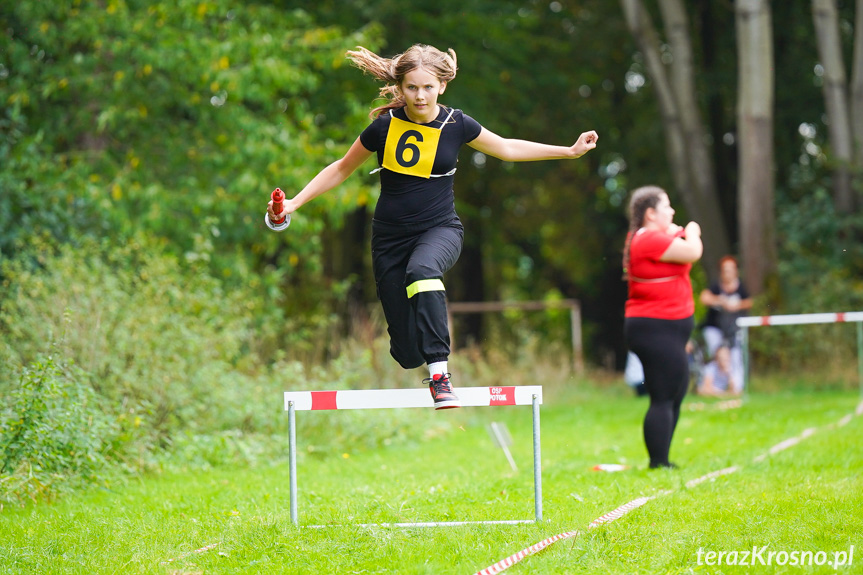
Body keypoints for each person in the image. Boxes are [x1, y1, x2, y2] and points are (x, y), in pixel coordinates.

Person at [267, 44, 598, 409]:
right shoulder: (383, 128)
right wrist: (295, 202)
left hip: (440, 230)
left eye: (427, 87)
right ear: (400, 87)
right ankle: (421, 358)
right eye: (412, 88)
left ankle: (440, 377)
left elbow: (506, 148)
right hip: (390, 240)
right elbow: (342, 168)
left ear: (442, 86)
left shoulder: (457, 124)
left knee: (423, 270)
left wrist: (568, 151)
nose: (420, 96)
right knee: (408, 353)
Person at [622, 185, 702, 469]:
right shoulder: (647, 240)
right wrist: (692, 230)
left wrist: (677, 233)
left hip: (666, 328)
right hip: (654, 328)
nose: (672, 211)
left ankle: (663, 459)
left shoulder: (652, 238)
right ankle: (658, 463)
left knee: (676, 391)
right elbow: (693, 251)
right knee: (664, 394)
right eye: (667, 206)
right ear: (651, 213)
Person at [699, 255, 751, 387]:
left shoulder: (741, 287)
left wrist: (737, 305)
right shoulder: (716, 286)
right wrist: (721, 301)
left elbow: (750, 302)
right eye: (725, 270)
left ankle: (736, 385)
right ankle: (713, 385)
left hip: (733, 330)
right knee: (717, 355)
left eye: (730, 269)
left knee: (735, 356)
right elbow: (704, 298)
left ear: (736, 271)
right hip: (715, 328)